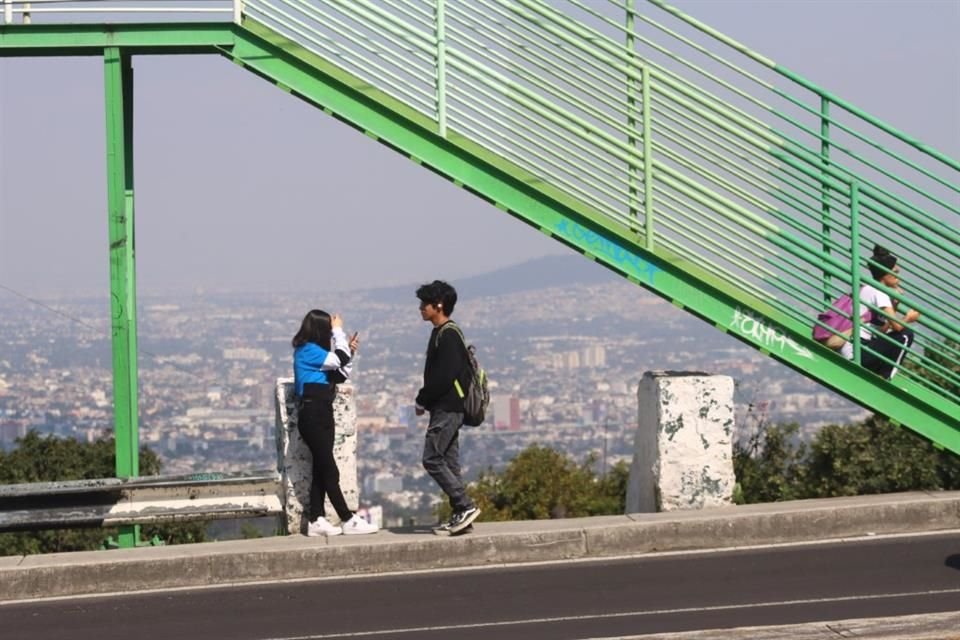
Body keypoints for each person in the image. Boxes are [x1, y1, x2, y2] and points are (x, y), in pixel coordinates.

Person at [293, 309, 378, 536]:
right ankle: (347, 518)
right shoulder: (308, 351)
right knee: (330, 469)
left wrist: (348, 351)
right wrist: (339, 331)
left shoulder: (317, 355)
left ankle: (316, 520)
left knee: (321, 469)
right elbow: (338, 360)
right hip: (313, 414)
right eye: (329, 331)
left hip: (322, 412)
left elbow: (340, 374)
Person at [415, 280, 481, 535]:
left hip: (448, 406)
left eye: (425, 304)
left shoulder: (449, 334)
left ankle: (465, 505)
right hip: (447, 407)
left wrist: (423, 398)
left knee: (431, 458)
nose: (421, 308)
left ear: (438, 306)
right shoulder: (443, 332)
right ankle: (461, 514)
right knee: (449, 463)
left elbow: (444, 375)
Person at [840, 245, 920, 380]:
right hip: (857, 351)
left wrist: (895, 303)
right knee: (906, 335)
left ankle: (882, 373)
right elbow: (897, 327)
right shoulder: (879, 294)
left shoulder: (870, 289)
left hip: (857, 347)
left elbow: (882, 330)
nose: (898, 271)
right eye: (894, 270)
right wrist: (908, 318)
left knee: (899, 335)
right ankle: (886, 377)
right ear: (885, 274)